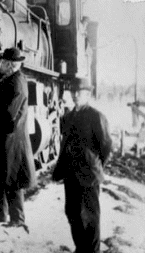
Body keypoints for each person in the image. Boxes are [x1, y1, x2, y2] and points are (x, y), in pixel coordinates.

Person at [0, 47, 36, 228]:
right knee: (2, 176)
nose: (0, 64)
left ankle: (18, 219)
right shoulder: (11, 79)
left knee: (13, 179)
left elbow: (8, 113)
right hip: (5, 136)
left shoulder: (16, 82)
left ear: (10, 65)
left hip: (11, 137)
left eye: (2, 62)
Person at [52, 77, 112, 253]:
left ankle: (92, 251)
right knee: (72, 213)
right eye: (74, 92)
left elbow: (106, 145)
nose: (76, 95)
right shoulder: (68, 117)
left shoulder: (96, 116)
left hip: (89, 176)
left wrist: (96, 166)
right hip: (71, 174)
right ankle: (80, 248)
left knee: (90, 218)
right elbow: (64, 144)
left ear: (88, 94)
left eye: (80, 93)